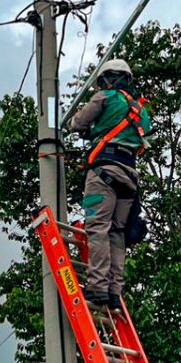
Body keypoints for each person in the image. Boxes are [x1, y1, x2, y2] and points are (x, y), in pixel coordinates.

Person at [66, 59, 151, 309]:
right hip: (130, 175)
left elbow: (77, 122)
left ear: (107, 79)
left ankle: (98, 287)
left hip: (105, 171)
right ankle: (114, 292)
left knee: (98, 228)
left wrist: (79, 128)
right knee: (117, 233)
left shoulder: (105, 97)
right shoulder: (141, 111)